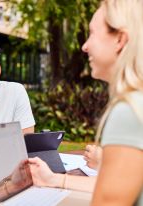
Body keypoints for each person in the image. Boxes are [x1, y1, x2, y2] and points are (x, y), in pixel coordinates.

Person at [29, 0, 143, 205]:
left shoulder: (129, 110)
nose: (84, 46)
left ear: (120, 39)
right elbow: (117, 186)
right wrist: (54, 179)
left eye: (92, 33)